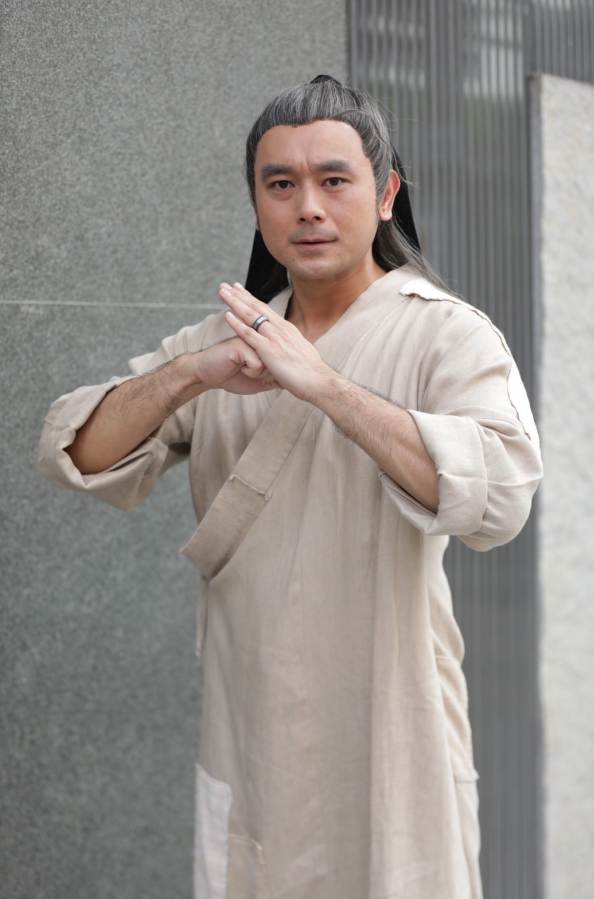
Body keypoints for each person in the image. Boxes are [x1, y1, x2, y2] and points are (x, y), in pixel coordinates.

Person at [37, 75, 544, 899]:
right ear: (257, 202)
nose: (307, 206)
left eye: (333, 179)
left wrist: (327, 387)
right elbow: (74, 449)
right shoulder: (227, 338)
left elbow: (503, 494)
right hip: (251, 725)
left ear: (387, 193)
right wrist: (191, 374)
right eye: (281, 184)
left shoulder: (445, 333)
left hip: (392, 722)